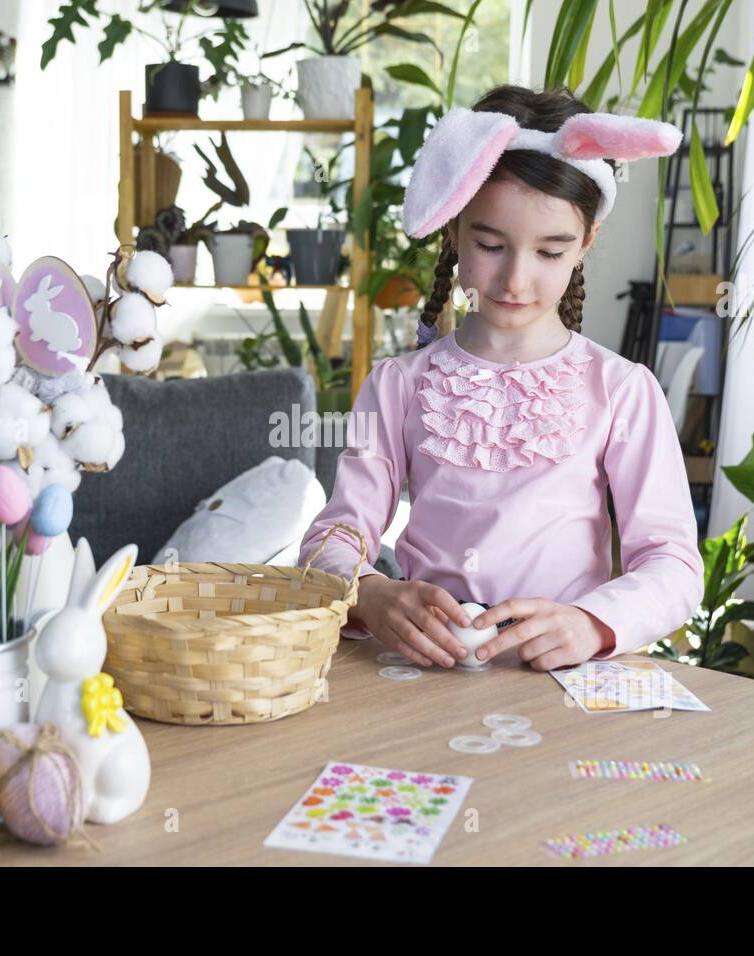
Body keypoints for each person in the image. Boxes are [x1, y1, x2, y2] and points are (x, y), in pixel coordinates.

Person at [296, 84, 704, 673]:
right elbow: (334, 537)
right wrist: (372, 593)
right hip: (425, 673)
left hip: (561, 679)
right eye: (490, 244)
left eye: (550, 252)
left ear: (584, 244)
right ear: (454, 232)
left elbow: (672, 563)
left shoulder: (622, 390)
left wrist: (590, 624)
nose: (516, 279)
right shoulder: (397, 385)